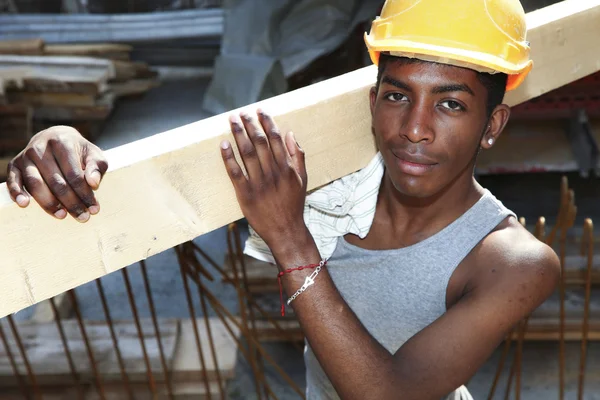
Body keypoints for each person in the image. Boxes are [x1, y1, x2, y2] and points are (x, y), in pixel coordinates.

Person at [7, 0, 560, 398]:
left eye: (451, 105)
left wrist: (291, 240)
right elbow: (176, 171)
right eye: (397, 95)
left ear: (493, 124)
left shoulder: (511, 261)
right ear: (372, 101)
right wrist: (62, 144)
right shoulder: (339, 188)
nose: (413, 128)